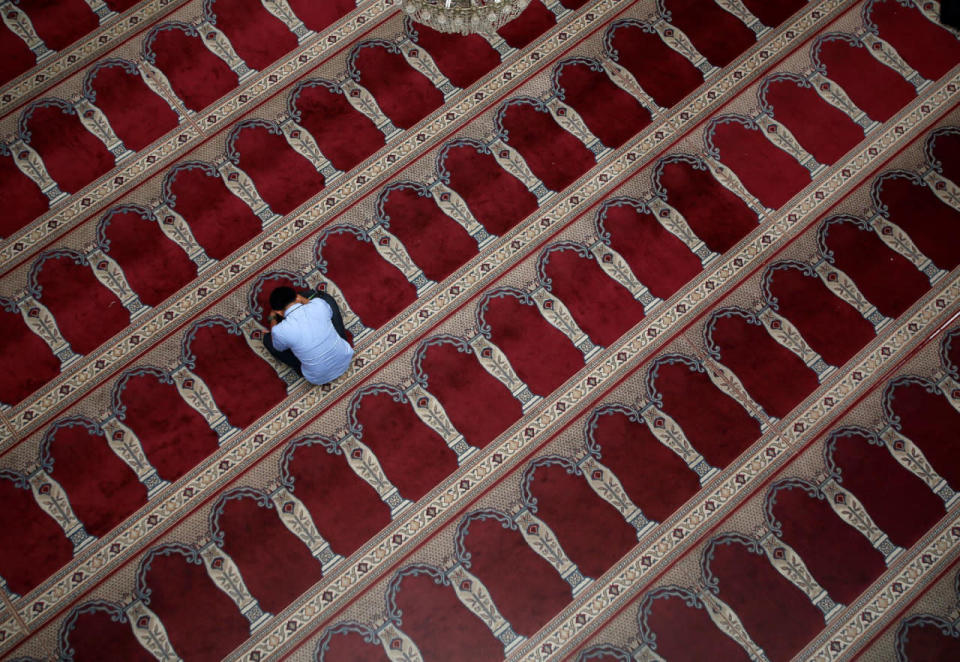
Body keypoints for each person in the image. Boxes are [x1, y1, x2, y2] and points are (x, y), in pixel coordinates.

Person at [262, 286, 353, 385]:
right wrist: (303, 300)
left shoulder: (279, 331)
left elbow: (278, 347)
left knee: (268, 340)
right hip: (345, 356)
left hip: (317, 377)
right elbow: (328, 313)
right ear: (297, 297)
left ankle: (300, 368)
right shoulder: (318, 304)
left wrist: (272, 319)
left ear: (279, 312)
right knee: (326, 300)